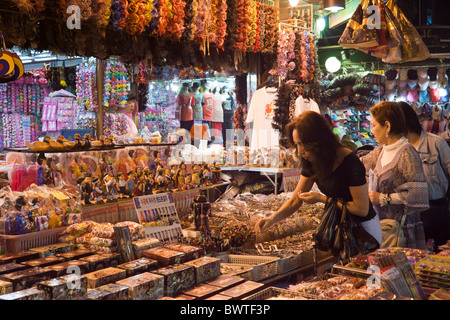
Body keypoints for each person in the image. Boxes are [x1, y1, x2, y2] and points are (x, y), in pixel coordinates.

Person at [255, 111, 382, 249]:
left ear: (319, 140)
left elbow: (361, 209)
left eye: (303, 144)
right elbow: (295, 200)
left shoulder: (349, 161)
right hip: (339, 228)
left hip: (364, 231)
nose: (300, 151)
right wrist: (272, 218)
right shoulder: (312, 160)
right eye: (297, 144)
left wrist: (322, 199)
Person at [360, 101, 429, 249]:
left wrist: (383, 198)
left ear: (387, 126)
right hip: (382, 228)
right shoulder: (380, 151)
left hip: (401, 232)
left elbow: (419, 195)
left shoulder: (407, 153)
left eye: (373, 125)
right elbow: (357, 165)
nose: (372, 131)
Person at [398, 101, 450, 250]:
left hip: (437, 210)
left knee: (440, 257)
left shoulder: (436, 143)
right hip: (410, 214)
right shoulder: (398, 148)